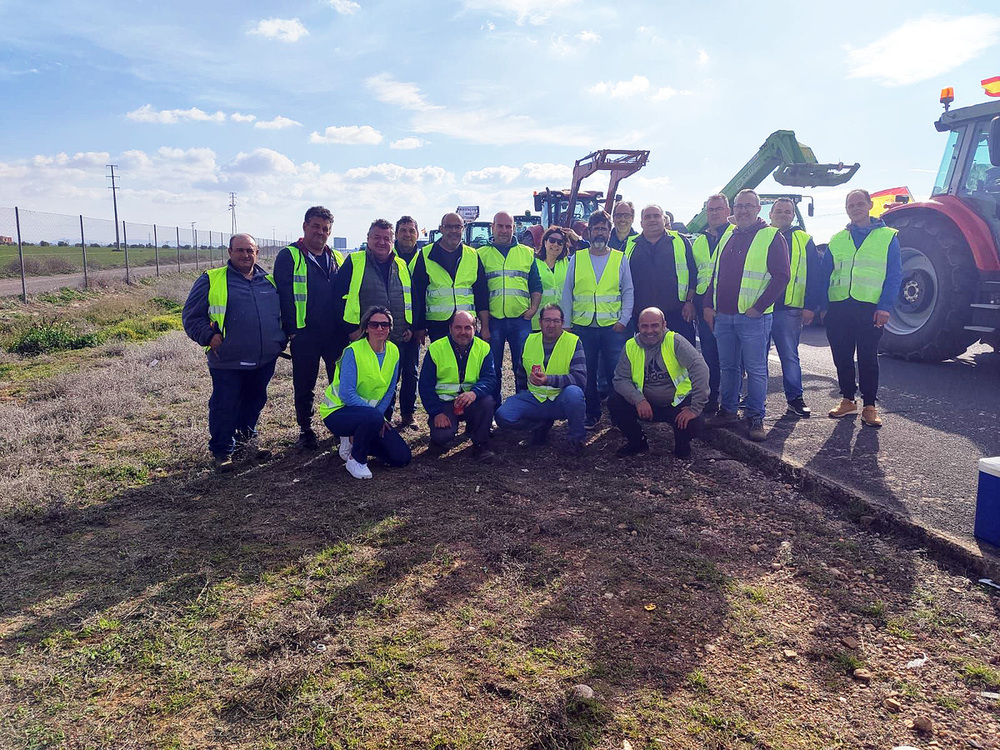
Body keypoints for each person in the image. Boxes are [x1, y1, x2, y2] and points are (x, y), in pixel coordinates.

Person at [182, 234, 286, 472]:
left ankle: (246, 444)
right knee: (225, 404)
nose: (245, 255)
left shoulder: (268, 281)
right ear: (229, 252)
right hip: (227, 360)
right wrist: (208, 337)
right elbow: (191, 316)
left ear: (257, 253)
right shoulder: (212, 279)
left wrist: (280, 339)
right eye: (239, 250)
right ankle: (222, 451)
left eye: (250, 250)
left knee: (254, 401)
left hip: (264, 358)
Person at [703, 189, 791, 442]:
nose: (743, 210)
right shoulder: (728, 235)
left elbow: (781, 276)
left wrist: (758, 308)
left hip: (753, 318)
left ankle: (755, 416)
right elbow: (714, 274)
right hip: (724, 316)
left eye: (748, 206)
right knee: (728, 367)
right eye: (739, 206)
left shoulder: (771, 236)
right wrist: (709, 305)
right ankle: (728, 410)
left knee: (756, 369)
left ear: (758, 209)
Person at [821, 189, 903, 427]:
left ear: (869, 205)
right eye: (850, 205)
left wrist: (885, 306)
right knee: (842, 357)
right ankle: (847, 400)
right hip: (838, 307)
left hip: (869, 308)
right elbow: (825, 275)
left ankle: (869, 406)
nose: (855, 208)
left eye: (859, 204)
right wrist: (824, 307)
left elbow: (894, 275)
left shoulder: (888, 237)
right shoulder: (837, 239)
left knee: (867, 358)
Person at [273, 206, 346, 450]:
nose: (320, 232)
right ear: (304, 226)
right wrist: (292, 330)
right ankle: (306, 429)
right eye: (316, 226)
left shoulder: (336, 257)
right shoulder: (290, 255)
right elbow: (282, 295)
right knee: (305, 384)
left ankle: (339, 427)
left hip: (335, 333)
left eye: (325, 228)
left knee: (338, 382)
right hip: (305, 333)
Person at [333, 219, 413, 422]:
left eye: (386, 238)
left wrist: (408, 326)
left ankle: (383, 420)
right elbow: (338, 297)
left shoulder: (401, 265)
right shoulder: (355, 261)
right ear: (368, 238)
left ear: (392, 240)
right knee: (361, 382)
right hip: (363, 337)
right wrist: (351, 329)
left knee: (388, 382)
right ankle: (357, 423)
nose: (382, 242)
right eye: (376, 237)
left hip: (394, 335)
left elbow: (408, 297)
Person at [318, 306, 411, 479]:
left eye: (384, 325)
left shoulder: (394, 351)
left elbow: (391, 388)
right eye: (374, 324)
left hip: (370, 417)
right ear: (366, 327)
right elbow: (346, 394)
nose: (380, 328)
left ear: (390, 328)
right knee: (372, 418)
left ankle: (356, 439)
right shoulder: (353, 351)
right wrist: (376, 416)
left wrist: (377, 417)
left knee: (401, 457)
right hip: (338, 412)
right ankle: (356, 459)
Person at [561, 210, 633, 430]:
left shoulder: (620, 258)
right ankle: (591, 413)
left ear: (609, 232)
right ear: (589, 232)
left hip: (612, 326)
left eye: (604, 228)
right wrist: (567, 324)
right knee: (587, 373)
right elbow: (567, 292)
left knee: (616, 374)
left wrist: (624, 319)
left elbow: (628, 290)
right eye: (596, 229)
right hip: (583, 326)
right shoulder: (577, 258)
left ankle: (618, 416)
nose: (600, 232)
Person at [609, 307, 709, 459]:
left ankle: (682, 446)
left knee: (695, 421)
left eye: (655, 325)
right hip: (646, 405)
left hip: (676, 404)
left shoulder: (675, 341)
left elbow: (700, 368)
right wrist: (639, 400)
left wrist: (695, 408)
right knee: (615, 402)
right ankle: (637, 442)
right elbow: (620, 379)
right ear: (638, 327)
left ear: (664, 325)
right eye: (645, 326)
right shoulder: (631, 346)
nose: (650, 331)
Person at [495, 303, 587, 454]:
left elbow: (580, 379)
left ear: (562, 323)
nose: (551, 325)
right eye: (547, 320)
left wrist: (548, 380)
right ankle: (539, 424)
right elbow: (521, 373)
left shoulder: (573, 342)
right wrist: (523, 397)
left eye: (556, 321)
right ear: (540, 322)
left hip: (561, 399)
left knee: (575, 394)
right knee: (503, 415)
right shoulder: (530, 340)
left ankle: (576, 439)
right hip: (535, 398)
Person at [768, 197, 824, 418]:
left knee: (789, 356)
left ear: (792, 216)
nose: (782, 214)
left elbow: (814, 274)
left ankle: (795, 398)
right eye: (778, 211)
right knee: (754, 359)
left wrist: (810, 306)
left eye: (787, 211)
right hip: (759, 309)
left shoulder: (804, 239)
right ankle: (753, 400)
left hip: (789, 309)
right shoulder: (760, 236)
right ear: (770, 214)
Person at [478, 211, 542, 403]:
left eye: (508, 226)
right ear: (493, 227)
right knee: (492, 368)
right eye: (500, 226)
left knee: (522, 367)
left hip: (520, 320)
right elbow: (479, 290)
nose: (504, 230)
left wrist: (533, 310)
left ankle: (522, 408)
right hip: (494, 321)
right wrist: (485, 325)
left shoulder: (526, 252)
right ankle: (494, 410)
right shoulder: (481, 254)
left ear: (514, 228)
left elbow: (536, 285)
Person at [418, 310, 498, 461]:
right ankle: (437, 440)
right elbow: (425, 386)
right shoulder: (436, 349)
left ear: (475, 329)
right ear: (450, 328)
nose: (463, 332)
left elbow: (490, 378)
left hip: (471, 401)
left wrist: (474, 393)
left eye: (468, 328)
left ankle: (481, 445)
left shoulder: (484, 348)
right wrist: (436, 413)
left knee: (487, 402)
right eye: (458, 327)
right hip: (445, 405)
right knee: (442, 436)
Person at [409, 212, 490, 343]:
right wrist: (420, 326)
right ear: (441, 229)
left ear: (463, 229)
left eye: (458, 227)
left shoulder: (473, 255)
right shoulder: (426, 254)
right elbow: (418, 293)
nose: (454, 231)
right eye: (449, 227)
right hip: (438, 324)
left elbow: (482, 293)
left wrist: (485, 326)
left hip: (466, 322)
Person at [627, 204, 698, 346]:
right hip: (643, 318)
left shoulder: (681, 241)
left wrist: (690, 302)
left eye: (656, 216)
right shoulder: (630, 244)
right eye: (647, 217)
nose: (652, 220)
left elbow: (693, 274)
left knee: (682, 357)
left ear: (664, 219)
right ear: (641, 223)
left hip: (678, 313)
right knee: (649, 360)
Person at [691, 194, 732, 415]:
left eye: (718, 209)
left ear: (728, 210)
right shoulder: (699, 241)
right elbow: (694, 274)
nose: (714, 213)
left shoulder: (735, 235)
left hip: (728, 306)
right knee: (710, 357)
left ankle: (731, 402)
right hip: (703, 307)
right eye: (710, 210)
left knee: (732, 359)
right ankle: (711, 399)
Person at [392, 215, 422, 427]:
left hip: (412, 327)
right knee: (389, 372)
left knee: (411, 372)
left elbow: (422, 295)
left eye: (411, 231)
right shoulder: (386, 255)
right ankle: (385, 413)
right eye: (403, 230)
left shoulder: (423, 258)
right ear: (396, 234)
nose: (407, 235)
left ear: (418, 235)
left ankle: (408, 414)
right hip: (388, 326)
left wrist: (417, 327)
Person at [532, 227, 571, 331]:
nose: (555, 244)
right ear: (545, 242)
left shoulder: (568, 263)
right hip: (538, 323)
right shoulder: (533, 263)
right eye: (552, 240)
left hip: (561, 322)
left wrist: (576, 238)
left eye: (560, 242)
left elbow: (588, 255)